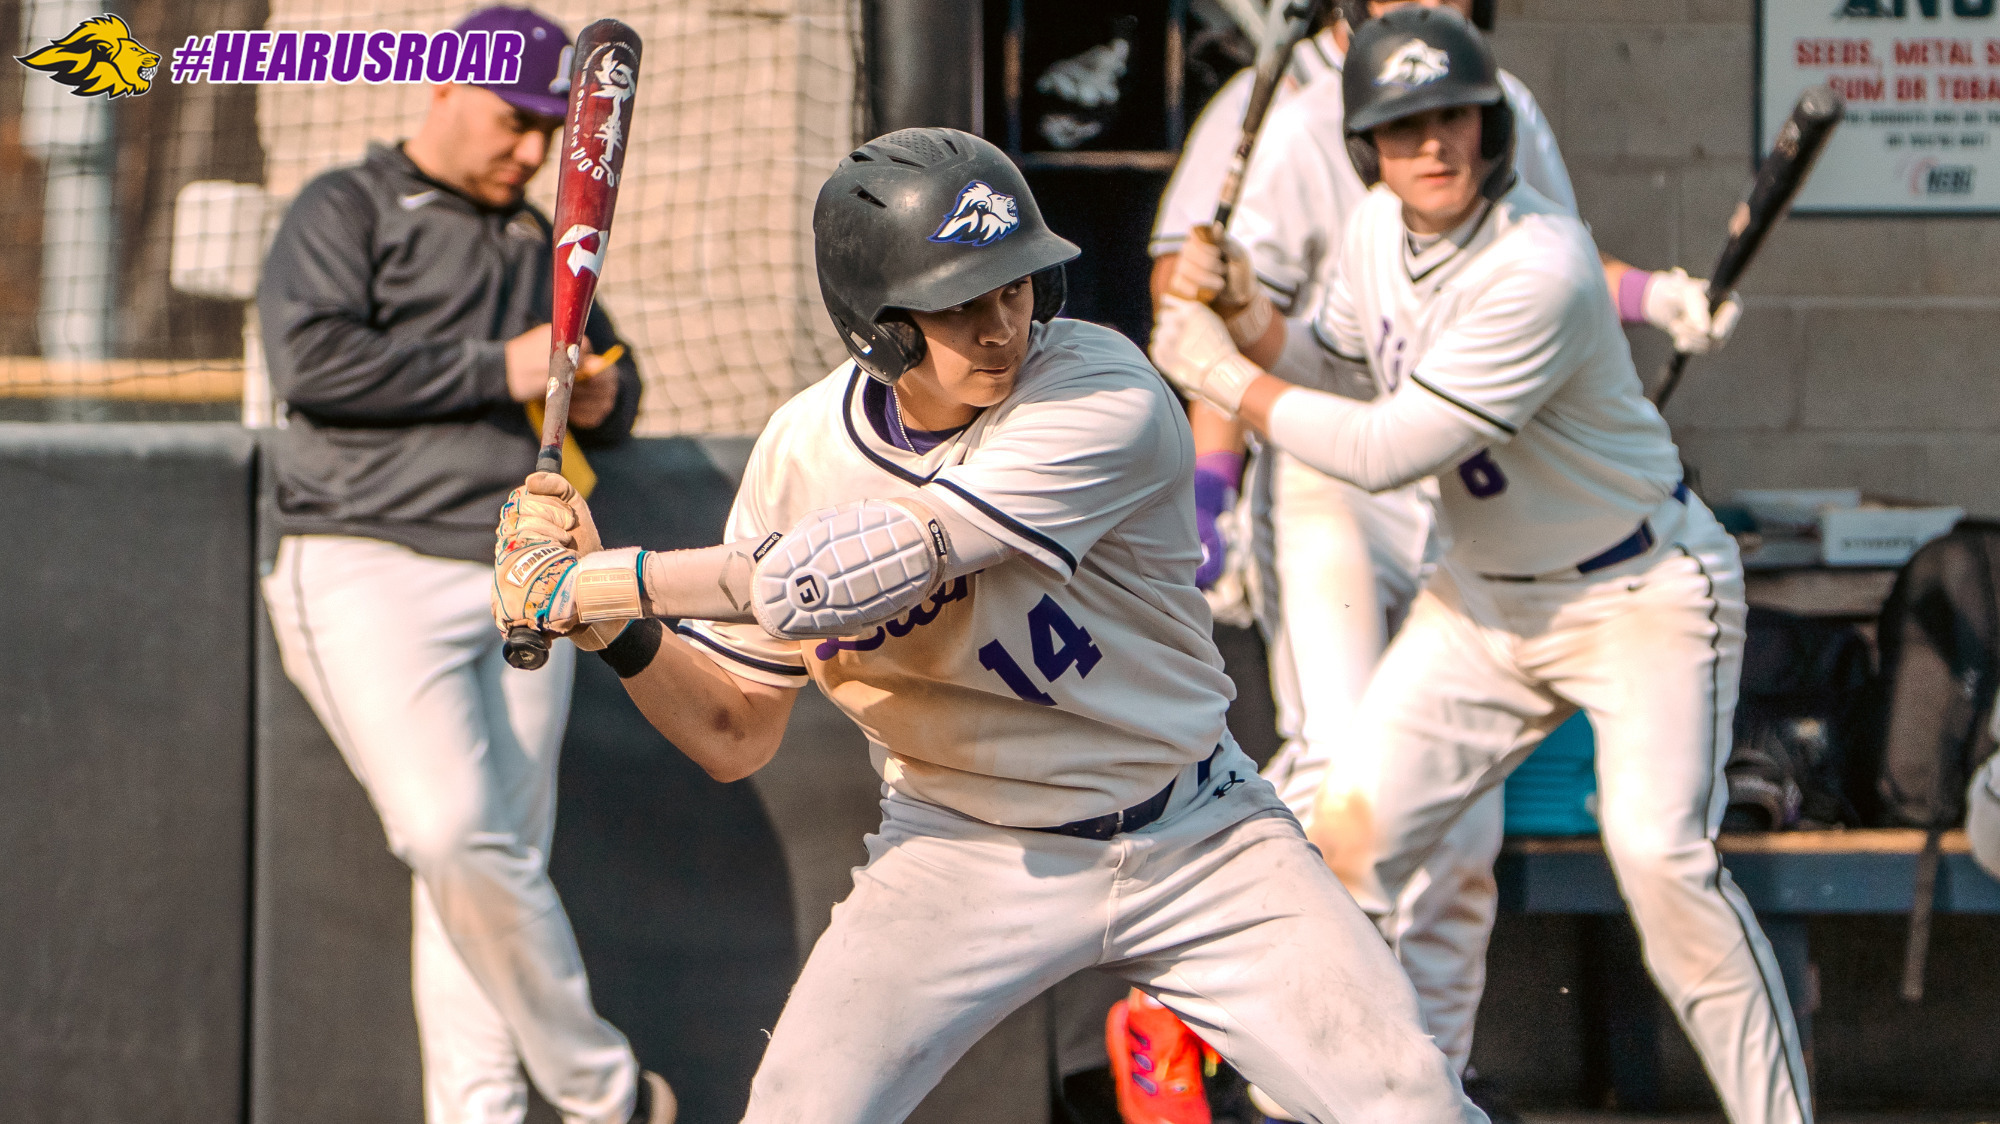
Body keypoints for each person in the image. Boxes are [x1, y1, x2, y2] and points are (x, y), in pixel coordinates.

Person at [490, 126, 1487, 1124]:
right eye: (957, 304)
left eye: (1012, 288)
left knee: (1412, 1102)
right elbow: (732, 731)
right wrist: (603, 625)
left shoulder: (1102, 388)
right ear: (876, 325)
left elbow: (842, 574)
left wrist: (597, 582)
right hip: (962, 845)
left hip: (1196, 833)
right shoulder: (802, 450)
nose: (1000, 327)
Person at [1150, 9, 1812, 1124]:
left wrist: (1220, 373)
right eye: (1403, 125)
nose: (1431, 144)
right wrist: (1249, 313)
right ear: (1366, 143)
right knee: (1340, 849)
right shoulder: (1373, 229)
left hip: (1638, 595)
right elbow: (1333, 364)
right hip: (1484, 603)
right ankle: (1350, 1102)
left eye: (1452, 117)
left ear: (1490, 125)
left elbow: (1386, 447)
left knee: (1662, 866)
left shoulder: (1538, 261)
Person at [258, 7, 670, 1123]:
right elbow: (311, 360)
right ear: (444, 89)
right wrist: (501, 366)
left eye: (548, 130)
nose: (531, 150)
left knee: (492, 875)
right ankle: (608, 1092)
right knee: (451, 837)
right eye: (513, 120)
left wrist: (600, 391)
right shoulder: (346, 204)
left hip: (523, 573)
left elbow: (612, 378)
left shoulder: (539, 239)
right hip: (367, 559)